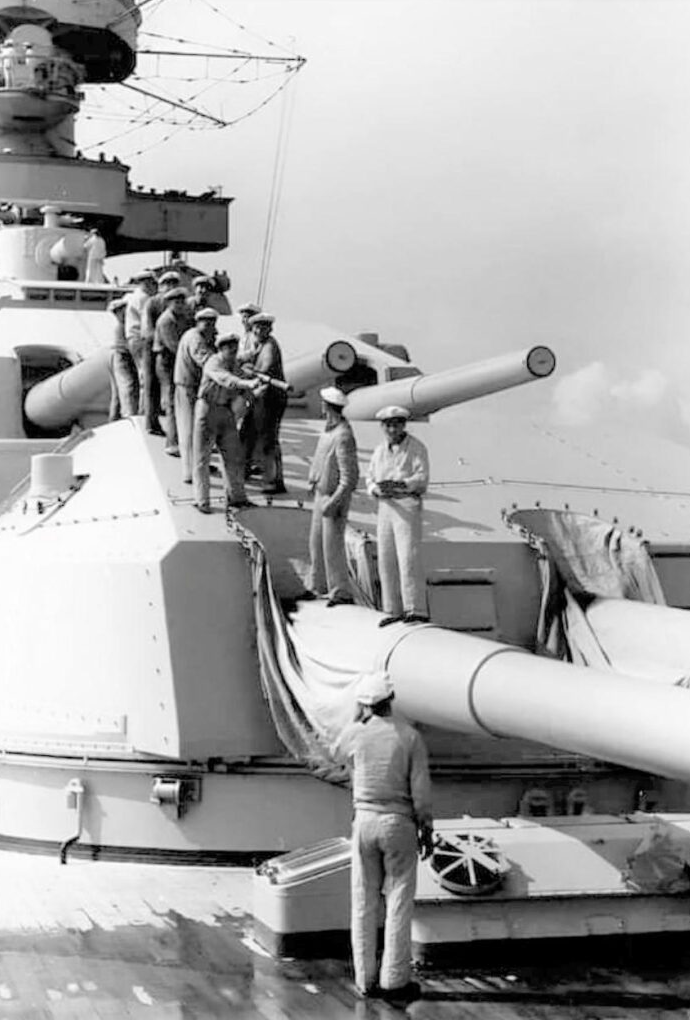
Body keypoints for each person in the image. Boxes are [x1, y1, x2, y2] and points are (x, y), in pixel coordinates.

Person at [335, 670, 433, 1003]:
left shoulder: (355, 734)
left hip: (363, 822)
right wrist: (426, 829)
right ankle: (395, 980)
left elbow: (336, 753)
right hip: (398, 822)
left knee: (363, 901)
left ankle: (365, 979)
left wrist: (356, 718)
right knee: (399, 901)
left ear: (364, 704)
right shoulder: (409, 737)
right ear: (391, 701)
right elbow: (420, 794)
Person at [366, 405, 430, 626]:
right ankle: (391, 608)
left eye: (396, 424)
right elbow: (369, 478)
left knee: (408, 557)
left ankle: (415, 607)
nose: (392, 429)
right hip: (385, 506)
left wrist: (402, 484)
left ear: (403, 425)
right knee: (386, 557)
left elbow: (422, 477)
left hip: (406, 503)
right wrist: (377, 489)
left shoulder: (416, 448)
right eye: (388, 425)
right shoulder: (379, 451)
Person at [192, 332, 264, 514]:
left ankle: (237, 498)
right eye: (229, 348)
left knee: (234, 457)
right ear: (221, 349)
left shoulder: (234, 365)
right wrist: (247, 384)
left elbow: (242, 384)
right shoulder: (213, 362)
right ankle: (202, 500)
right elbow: (226, 380)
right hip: (207, 410)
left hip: (226, 411)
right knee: (202, 458)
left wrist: (255, 392)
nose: (233, 351)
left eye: (235, 348)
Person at [305, 387, 359, 606]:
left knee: (332, 545)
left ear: (327, 406)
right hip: (321, 492)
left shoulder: (343, 436)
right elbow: (322, 460)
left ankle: (339, 590)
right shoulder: (329, 431)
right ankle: (317, 585)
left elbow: (349, 478)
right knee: (316, 543)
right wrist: (314, 480)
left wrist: (334, 500)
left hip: (333, 496)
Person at [243, 312, 287, 494]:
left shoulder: (270, 346)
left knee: (268, 440)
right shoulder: (258, 345)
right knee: (247, 432)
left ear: (270, 329)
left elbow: (265, 367)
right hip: (260, 396)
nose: (260, 330)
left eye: (264, 327)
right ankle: (244, 469)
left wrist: (250, 371)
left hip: (271, 398)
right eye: (257, 327)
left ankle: (273, 481)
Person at [174, 308, 218, 483]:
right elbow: (206, 360)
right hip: (188, 388)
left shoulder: (194, 335)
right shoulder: (195, 339)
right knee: (190, 431)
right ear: (199, 322)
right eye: (207, 323)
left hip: (188, 387)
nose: (211, 327)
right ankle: (191, 472)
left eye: (212, 323)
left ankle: (196, 467)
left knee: (192, 430)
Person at [140, 270, 181, 435]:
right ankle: (151, 422)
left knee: (167, 386)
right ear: (161, 286)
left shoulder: (176, 305)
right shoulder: (152, 303)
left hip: (167, 349)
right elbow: (147, 329)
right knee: (152, 386)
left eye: (174, 283)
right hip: (152, 348)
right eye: (167, 283)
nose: (170, 286)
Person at [154, 287, 192, 456]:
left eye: (182, 301)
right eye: (177, 302)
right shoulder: (166, 321)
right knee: (171, 402)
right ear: (170, 303)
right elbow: (174, 346)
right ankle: (172, 442)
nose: (180, 304)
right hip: (167, 363)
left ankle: (182, 439)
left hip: (179, 362)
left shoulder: (182, 317)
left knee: (180, 402)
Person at [124, 271, 158, 425]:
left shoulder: (133, 297)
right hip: (140, 339)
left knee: (142, 374)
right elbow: (146, 322)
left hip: (133, 338)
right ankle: (144, 411)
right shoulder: (143, 299)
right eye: (152, 283)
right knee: (146, 375)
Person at [106, 296, 139, 421]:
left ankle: (114, 419)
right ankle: (129, 417)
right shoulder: (121, 327)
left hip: (118, 356)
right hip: (122, 357)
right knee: (128, 387)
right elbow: (127, 346)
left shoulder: (122, 326)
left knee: (117, 393)